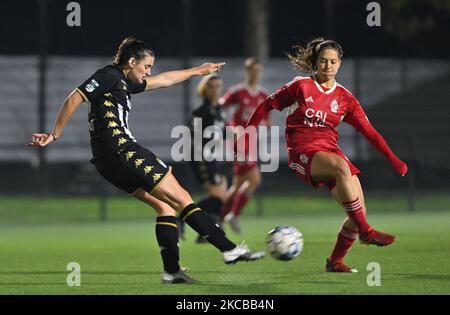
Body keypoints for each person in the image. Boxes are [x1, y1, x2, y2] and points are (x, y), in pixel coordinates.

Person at [28, 37, 264, 284]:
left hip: (107, 162)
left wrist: (198, 70)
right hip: (123, 151)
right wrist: (54, 134)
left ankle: (172, 272)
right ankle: (228, 248)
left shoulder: (124, 83)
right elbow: (74, 97)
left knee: (165, 207)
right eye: (146, 66)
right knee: (182, 197)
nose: (149, 72)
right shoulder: (110, 75)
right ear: (131, 62)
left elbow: (163, 80)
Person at [245, 38, 408, 273]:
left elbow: (370, 133)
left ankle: (335, 262)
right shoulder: (301, 86)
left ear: (339, 64)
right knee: (342, 169)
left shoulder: (345, 98)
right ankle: (367, 232)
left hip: (330, 153)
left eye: (333, 61)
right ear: (316, 63)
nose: (328, 66)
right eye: (323, 61)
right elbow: (265, 106)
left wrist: (394, 160)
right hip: (302, 153)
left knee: (358, 211)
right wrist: (248, 134)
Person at [219, 57, 270, 234]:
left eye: (258, 70)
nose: (255, 73)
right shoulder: (238, 92)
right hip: (238, 141)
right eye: (252, 70)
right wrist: (229, 128)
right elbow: (218, 108)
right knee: (254, 179)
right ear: (247, 71)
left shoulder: (263, 94)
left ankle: (218, 219)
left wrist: (266, 122)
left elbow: (265, 116)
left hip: (251, 141)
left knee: (238, 183)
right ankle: (233, 215)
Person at [179, 74, 230, 243]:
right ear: (204, 90)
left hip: (215, 157)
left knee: (222, 198)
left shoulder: (219, 110)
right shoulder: (201, 112)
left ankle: (204, 233)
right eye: (211, 87)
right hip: (203, 157)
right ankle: (182, 218)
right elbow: (190, 132)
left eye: (217, 86)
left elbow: (225, 131)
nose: (215, 90)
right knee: (220, 199)